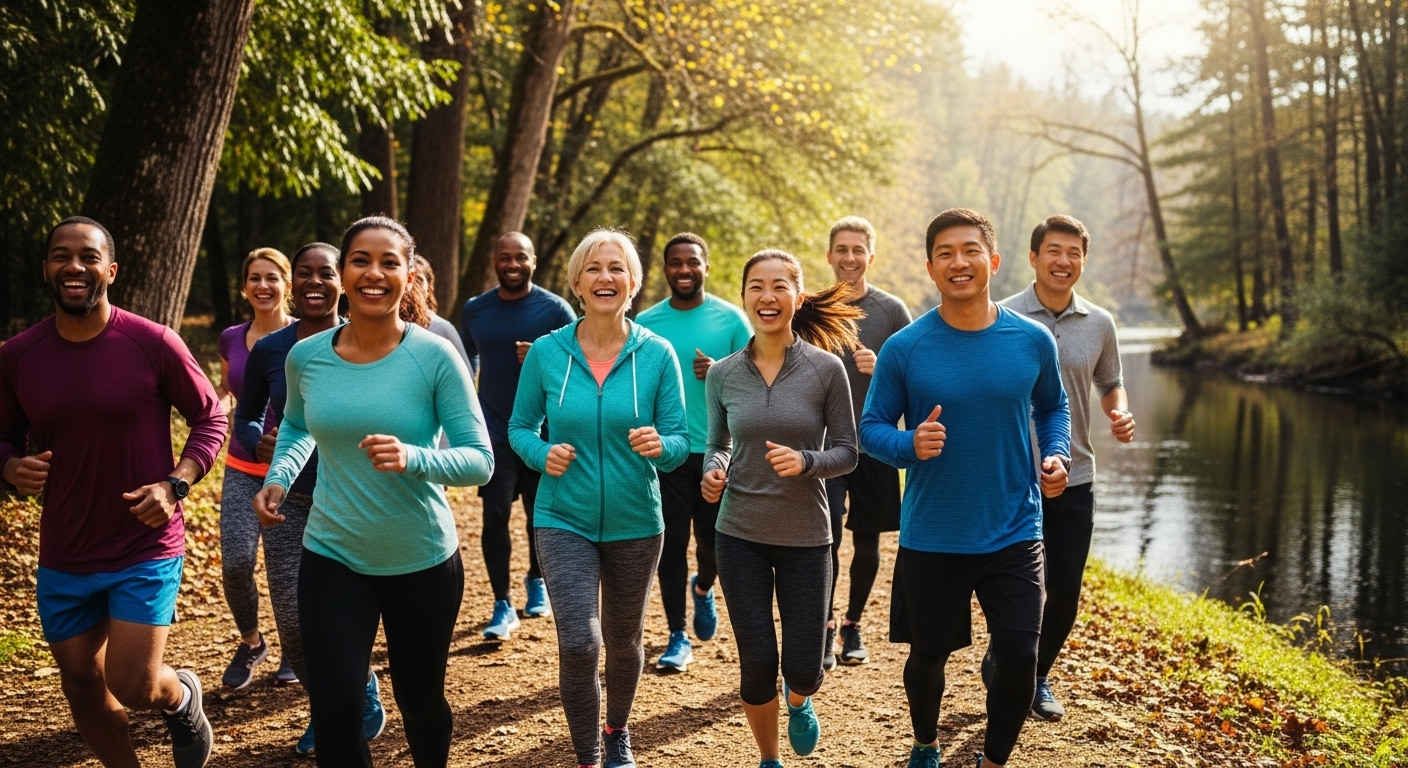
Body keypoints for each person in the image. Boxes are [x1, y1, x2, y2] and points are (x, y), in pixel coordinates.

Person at [253, 217, 494, 768]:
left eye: (390, 262)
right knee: (336, 709)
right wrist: (279, 478)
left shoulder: (433, 355)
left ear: (408, 276)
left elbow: (479, 461)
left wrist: (415, 458)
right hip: (333, 554)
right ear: (342, 273)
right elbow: (295, 425)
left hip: (421, 558)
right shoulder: (306, 356)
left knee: (420, 700)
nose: (374, 273)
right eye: (361, 260)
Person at [0, 217, 226, 768]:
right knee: (80, 681)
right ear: (47, 268)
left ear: (111, 270)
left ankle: (181, 696)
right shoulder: (17, 354)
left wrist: (176, 485)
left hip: (142, 542)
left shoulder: (152, 342)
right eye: (61, 255)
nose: (74, 267)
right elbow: (2, 435)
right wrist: (10, 466)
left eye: (88, 256)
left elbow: (210, 418)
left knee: (133, 683)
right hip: (66, 545)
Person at [860, 208, 1071, 768]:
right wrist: (909, 445)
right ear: (931, 267)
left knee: (1021, 657)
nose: (960, 262)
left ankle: (992, 760)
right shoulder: (906, 347)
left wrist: (1056, 453)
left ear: (993, 261)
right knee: (929, 656)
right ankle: (926, 743)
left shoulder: (1032, 340)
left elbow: (1054, 408)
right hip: (935, 533)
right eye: (947, 253)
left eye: (971, 250)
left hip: (1014, 528)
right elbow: (870, 429)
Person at [508, 229, 688, 768]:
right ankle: (589, 755)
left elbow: (680, 441)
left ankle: (617, 730)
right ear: (577, 283)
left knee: (624, 640)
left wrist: (661, 446)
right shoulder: (547, 353)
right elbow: (520, 428)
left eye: (616, 268)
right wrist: (542, 456)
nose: (605, 277)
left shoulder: (658, 354)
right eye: (593, 268)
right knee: (581, 645)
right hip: (563, 516)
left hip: (637, 520)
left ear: (632, 283)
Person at [701, 249, 861, 768]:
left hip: (808, 535)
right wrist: (713, 471)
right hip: (739, 531)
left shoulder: (825, 369)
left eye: (778, 286)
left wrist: (808, 461)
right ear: (744, 295)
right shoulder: (723, 373)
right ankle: (769, 759)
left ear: (797, 294)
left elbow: (848, 451)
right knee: (756, 661)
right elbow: (717, 442)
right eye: (756, 287)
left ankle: (801, 697)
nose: (767, 297)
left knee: (803, 664)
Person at [234, 242, 386, 756]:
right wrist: (257, 437)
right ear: (293, 282)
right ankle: (339, 699)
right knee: (294, 620)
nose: (315, 282)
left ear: (342, 281)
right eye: (305, 274)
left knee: (349, 618)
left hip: (358, 497)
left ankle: (339, 706)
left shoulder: (372, 341)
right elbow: (249, 413)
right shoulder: (273, 350)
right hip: (293, 500)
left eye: (327, 273)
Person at [997, 214, 1134, 721]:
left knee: (1066, 587)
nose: (1064, 261)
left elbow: (1109, 381)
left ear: (1083, 259)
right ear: (1033, 257)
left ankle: (1035, 675)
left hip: (1074, 476)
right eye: (1054, 251)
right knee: (1011, 583)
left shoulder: (1099, 323)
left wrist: (1118, 410)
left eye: (1073, 252)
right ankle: (1009, 655)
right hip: (1010, 475)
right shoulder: (1001, 315)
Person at [633, 232, 751, 672]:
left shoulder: (732, 319)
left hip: (718, 450)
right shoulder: (646, 323)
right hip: (667, 452)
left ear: (706, 266)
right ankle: (677, 635)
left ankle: (703, 588)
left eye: (692, 262)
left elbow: (760, 375)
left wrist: (721, 370)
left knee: (713, 545)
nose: (684, 269)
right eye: (675, 262)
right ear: (665, 269)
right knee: (671, 543)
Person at [460, 231, 575, 639]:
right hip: (492, 427)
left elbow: (579, 365)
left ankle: (536, 580)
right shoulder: (476, 310)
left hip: (542, 429)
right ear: (495, 260)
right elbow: (465, 357)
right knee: (495, 514)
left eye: (520, 257)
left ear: (534, 260)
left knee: (536, 514)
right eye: (505, 257)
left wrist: (546, 357)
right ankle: (501, 602)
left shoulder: (555, 309)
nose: (512, 264)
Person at [820, 216, 912, 669]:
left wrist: (884, 371)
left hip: (875, 442)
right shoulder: (810, 309)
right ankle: (824, 626)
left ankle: (853, 624)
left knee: (868, 543)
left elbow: (918, 374)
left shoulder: (892, 311)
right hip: (824, 445)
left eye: (858, 250)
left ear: (870, 257)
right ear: (829, 256)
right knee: (827, 540)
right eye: (842, 249)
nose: (850, 258)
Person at [217, 247, 294, 690]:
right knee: (236, 563)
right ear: (244, 286)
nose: (262, 286)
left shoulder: (304, 337)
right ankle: (251, 641)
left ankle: (293, 649)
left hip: (292, 473)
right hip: (242, 466)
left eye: (272, 277)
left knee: (285, 574)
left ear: (286, 284)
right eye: (254, 278)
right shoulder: (231, 337)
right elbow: (233, 394)